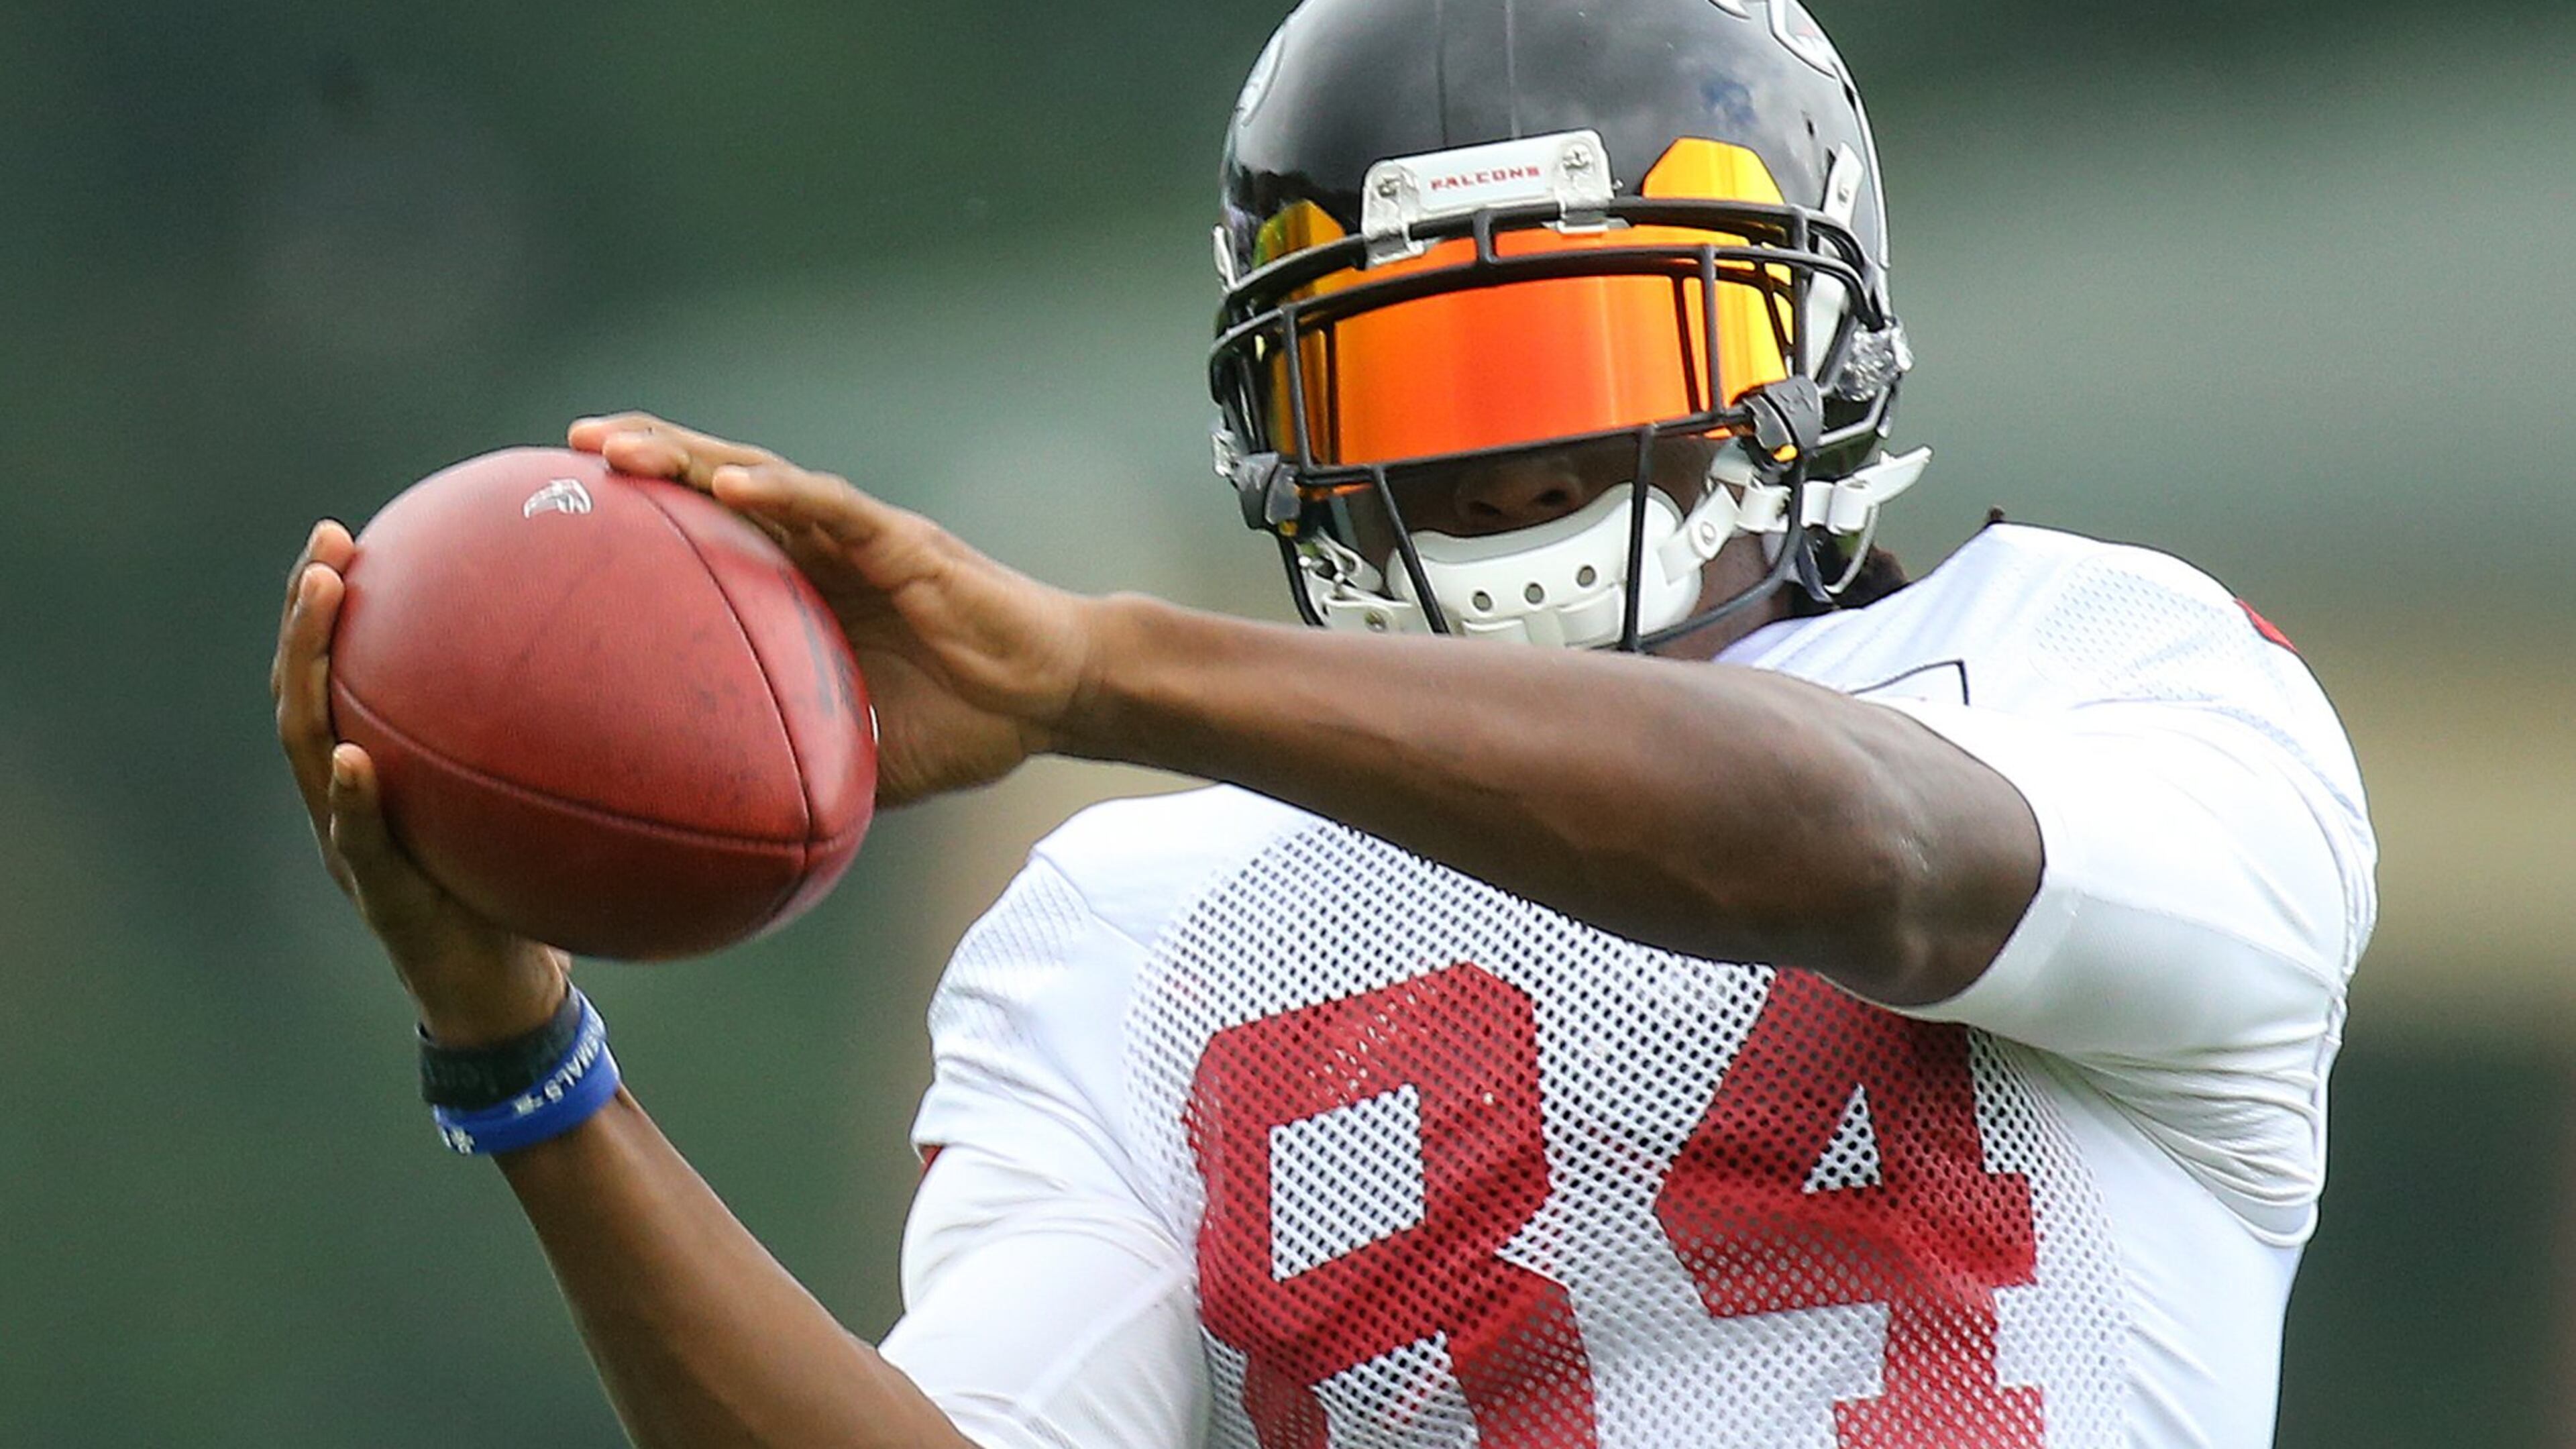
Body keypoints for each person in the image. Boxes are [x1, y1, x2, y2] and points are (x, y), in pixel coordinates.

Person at [270, 0, 2376, 1444]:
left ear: (1816, 346)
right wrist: (529, 1071)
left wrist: (1103, 675)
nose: (1509, 462)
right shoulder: (1133, 922)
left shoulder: (2106, 669)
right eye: (1413, 385)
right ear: (1286, 432)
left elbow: (1874, 861)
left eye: (1589, 350)